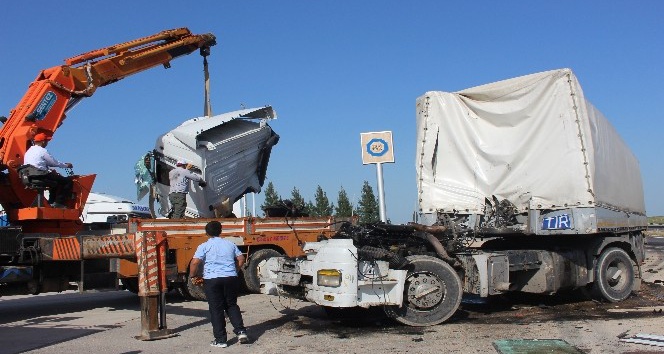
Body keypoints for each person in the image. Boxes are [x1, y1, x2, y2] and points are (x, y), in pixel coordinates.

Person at [189, 221, 249, 348]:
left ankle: (221, 339)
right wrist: (235, 271)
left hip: (212, 280)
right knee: (231, 305)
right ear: (221, 231)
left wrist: (193, 276)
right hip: (230, 278)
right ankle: (241, 331)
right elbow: (241, 259)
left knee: (216, 309)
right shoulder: (230, 244)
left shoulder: (204, 246)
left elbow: (195, 263)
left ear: (206, 233)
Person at [23, 132, 74, 208]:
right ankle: (59, 203)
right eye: (47, 141)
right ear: (43, 141)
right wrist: (66, 165)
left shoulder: (28, 151)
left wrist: (49, 170)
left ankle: (51, 202)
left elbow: (37, 164)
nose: (47, 143)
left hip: (30, 176)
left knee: (55, 182)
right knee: (67, 181)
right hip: (40, 175)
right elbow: (54, 163)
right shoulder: (42, 151)